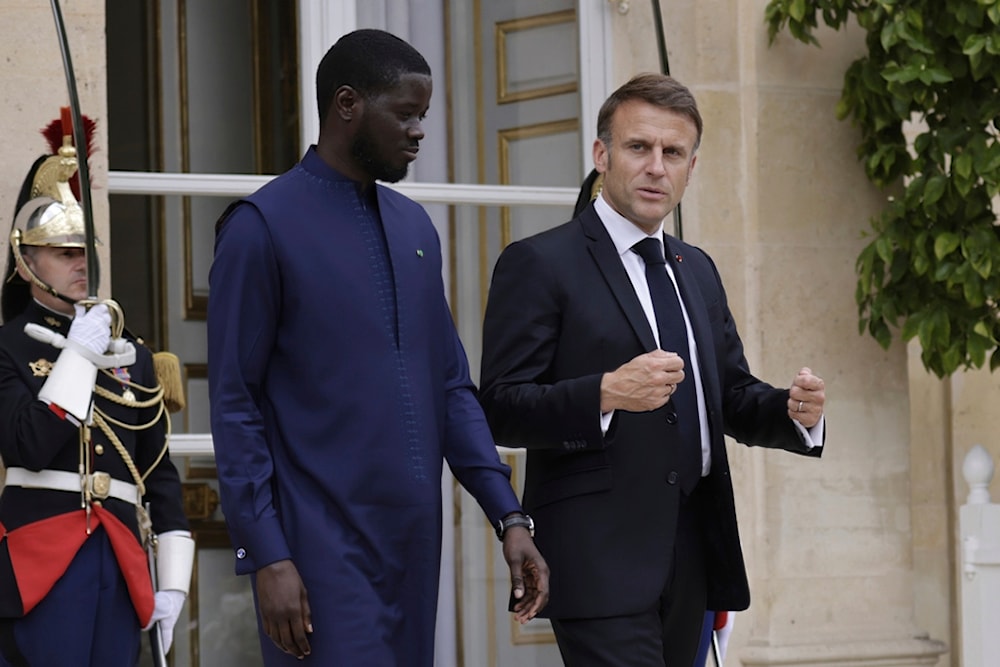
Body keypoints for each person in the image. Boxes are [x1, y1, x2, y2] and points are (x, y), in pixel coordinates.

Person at [207, 28, 549, 665]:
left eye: (424, 115)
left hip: (414, 548)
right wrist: (268, 556)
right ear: (346, 104)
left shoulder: (415, 225)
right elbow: (234, 404)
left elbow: (450, 387)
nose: (420, 130)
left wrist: (510, 516)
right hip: (316, 549)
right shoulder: (259, 229)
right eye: (405, 113)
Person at [479, 72, 827, 666]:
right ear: (602, 154)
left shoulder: (697, 269)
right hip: (600, 560)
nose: (655, 167)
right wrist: (604, 394)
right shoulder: (539, 263)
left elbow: (732, 396)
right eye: (639, 147)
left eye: (673, 153)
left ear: (692, 167)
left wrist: (794, 413)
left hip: (695, 554)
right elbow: (501, 409)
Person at [0, 121, 193, 665]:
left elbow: (159, 474)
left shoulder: (132, 351)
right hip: (44, 559)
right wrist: (78, 356)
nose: (82, 262)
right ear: (25, 263)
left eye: (86, 249)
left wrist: (174, 580)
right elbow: (29, 446)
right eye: (63, 252)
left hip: (124, 556)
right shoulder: (8, 347)